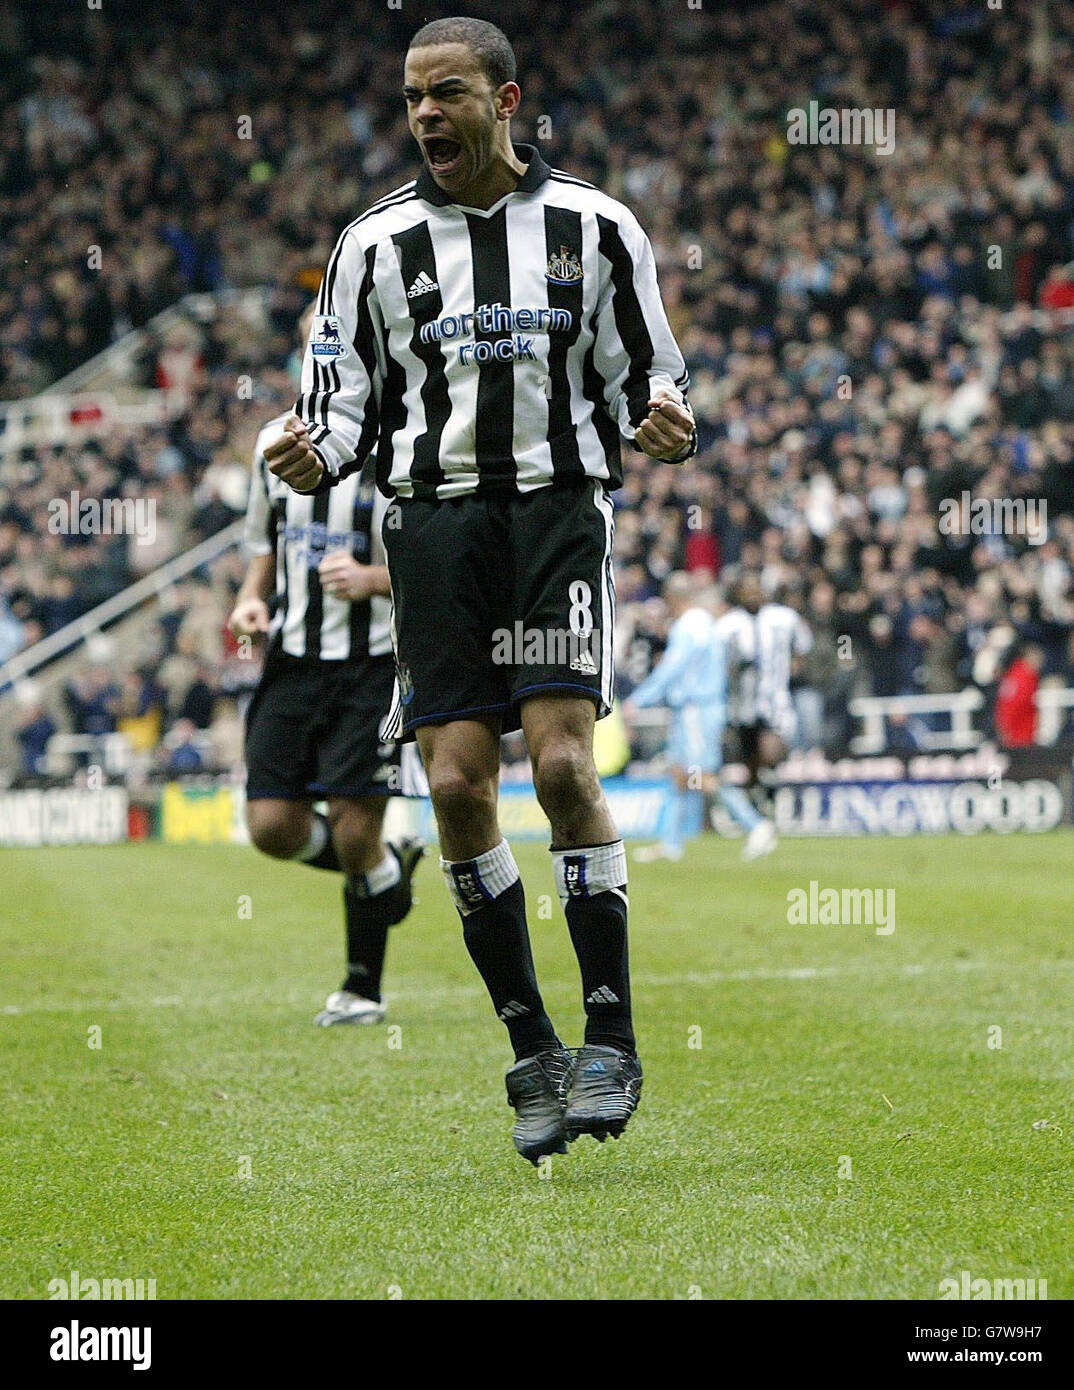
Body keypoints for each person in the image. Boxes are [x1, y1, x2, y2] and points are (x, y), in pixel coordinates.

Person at [263, 16, 696, 1162]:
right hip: (434, 527)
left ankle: (612, 1032)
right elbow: (343, 398)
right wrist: (315, 446)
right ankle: (532, 1044)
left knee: (560, 764)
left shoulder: (597, 229)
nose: (422, 115)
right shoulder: (371, 244)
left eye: (444, 92)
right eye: (411, 97)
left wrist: (669, 425)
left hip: (557, 512)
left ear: (506, 102)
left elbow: (650, 372)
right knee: (457, 787)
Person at [231, 306, 426, 1028]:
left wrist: (375, 581)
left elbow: (436, 562)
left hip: (373, 663)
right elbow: (262, 542)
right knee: (270, 824)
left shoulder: (406, 443)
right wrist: (252, 601)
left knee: (353, 824)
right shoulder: (273, 440)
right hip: (292, 658)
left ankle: (361, 990)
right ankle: (384, 875)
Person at [623, 573, 725, 862]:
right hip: (704, 706)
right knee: (679, 775)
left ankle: (755, 824)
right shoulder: (707, 623)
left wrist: (639, 700)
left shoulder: (686, 627)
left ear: (673, 598)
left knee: (701, 775)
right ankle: (670, 843)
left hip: (694, 708)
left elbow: (671, 669)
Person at [712, 573, 812, 860]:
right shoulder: (728, 625)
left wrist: (792, 670)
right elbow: (718, 666)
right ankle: (761, 814)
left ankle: (764, 808)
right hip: (741, 708)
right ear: (740, 594)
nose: (753, 595)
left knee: (771, 751)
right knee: (749, 765)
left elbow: (803, 646)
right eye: (748, 590)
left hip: (775, 703)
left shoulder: (784, 618)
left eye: (757, 589)